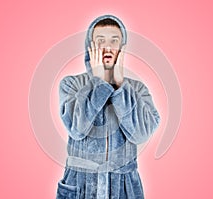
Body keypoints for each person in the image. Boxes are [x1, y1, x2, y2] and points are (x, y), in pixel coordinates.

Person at [56, 14, 160, 199]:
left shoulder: (137, 89)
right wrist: (99, 83)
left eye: (114, 40)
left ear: (122, 47)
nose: (108, 47)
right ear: (90, 47)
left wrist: (120, 86)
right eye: (100, 40)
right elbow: (77, 130)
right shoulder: (71, 84)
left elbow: (140, 134)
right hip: (80, 185)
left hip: (124, 188)